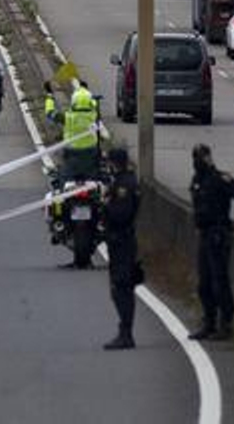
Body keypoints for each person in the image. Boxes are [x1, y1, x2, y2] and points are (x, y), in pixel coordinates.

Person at [187, 143, 234, 341]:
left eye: (202, 157)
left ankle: (226, 324)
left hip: (218, 234)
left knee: (219, 281)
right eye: (197, 157)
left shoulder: (219, 179)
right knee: (204, 283)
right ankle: (209, 322)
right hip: (204, 234)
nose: (200, 161)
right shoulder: (197, 180)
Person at [103, 146, 142, 351]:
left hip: (122, 242)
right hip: (119, 242)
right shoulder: (124, 181)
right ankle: (124, 331)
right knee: (119, 288)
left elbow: (121, 214)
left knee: (122, 288)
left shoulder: (124, 185)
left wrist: (106, 203)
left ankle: (126, 333)